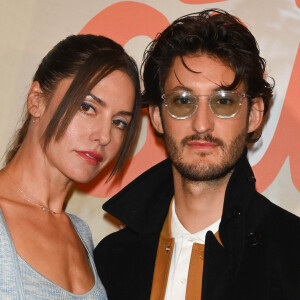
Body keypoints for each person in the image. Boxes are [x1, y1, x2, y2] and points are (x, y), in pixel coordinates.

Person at [94, 9, 300, 300]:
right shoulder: (111, 259)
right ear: (156, 116)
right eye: (182, 101)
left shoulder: (292, 255)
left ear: (253, 115)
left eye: (224, 101)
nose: (202, 123)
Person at [0, 34, 141, 299]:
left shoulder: (80, 234)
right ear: (37, 100)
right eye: (87, 107)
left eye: (119, 122)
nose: (105, 136)